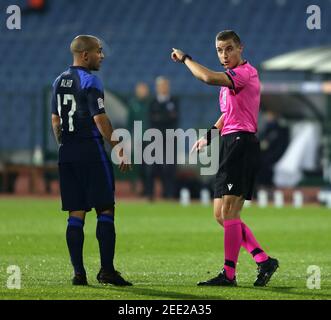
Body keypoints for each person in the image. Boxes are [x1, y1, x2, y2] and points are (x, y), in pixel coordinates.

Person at [172, 30, 279, 287]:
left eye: (229, 49)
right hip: (230, 142)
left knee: (230, 212)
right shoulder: (232, 80)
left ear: (240, 48)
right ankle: (264, 260)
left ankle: (228, 275)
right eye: (220, 50)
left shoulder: (244, 73)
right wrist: (209, 135)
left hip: (242, 144)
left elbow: (207, 77)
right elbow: (227, 114)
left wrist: (186, 58)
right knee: (221, 214)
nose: (224, 55)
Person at [51, 35, 132, 286]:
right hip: (91, 152)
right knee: (105, 208)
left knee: (76, 213)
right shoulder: (90, 80)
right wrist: (117, 147)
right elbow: (100, 119)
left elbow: (56, 120)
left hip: (68, 153)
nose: (102, 55)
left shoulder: (58, 81)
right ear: (85, 55)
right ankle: (106, 271)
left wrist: (64, 145)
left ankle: (78, 273)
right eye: (99, 51)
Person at [146, 76, 179, 200]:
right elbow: (152, 120)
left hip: (170, 139)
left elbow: (174, 119)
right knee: (152, 168)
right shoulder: (152, 102)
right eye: (161, 85)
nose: (163, 87)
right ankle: (150, 194)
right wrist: (166, 117)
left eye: (165, 85)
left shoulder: (174, 101)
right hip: (155, 139)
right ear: (157, 87)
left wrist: (160, 117)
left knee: (169, 168)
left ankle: (169, 194)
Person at [127, 82, 151, 195]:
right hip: (137, 139)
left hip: (151, 139)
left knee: (149, 165)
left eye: (144, 89)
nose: (142, 92)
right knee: (139, 165)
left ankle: (148, 190)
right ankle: (138, 188)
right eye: (140, 89)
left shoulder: (150, 104)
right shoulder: (133, 104)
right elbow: (129, 122)